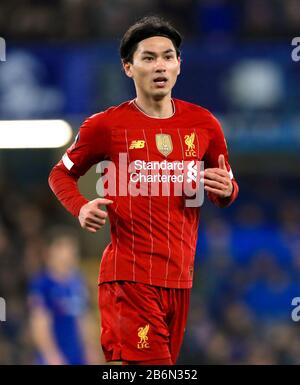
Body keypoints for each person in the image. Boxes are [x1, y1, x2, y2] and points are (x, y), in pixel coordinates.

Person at [48, 16, 239, 365]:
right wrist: (80, 207)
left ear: (179, 65)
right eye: (148, 58)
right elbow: (61, 175)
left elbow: (223, 187)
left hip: (180, 281)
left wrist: (227, 189)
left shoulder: (205, 124)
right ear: (128, 67)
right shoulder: (105, 125)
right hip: (130, 278)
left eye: (168, 56)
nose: (160, 65)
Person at [28, 228, 96, 365]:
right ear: (50, 251)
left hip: (78, 357)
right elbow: (39, 322)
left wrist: (90, 348)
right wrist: (51, 355)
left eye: (72, 247)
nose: (70, 252)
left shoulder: (78, 281)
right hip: (53, 359)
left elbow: (83, 318)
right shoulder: (42, 284)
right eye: (64, 247)